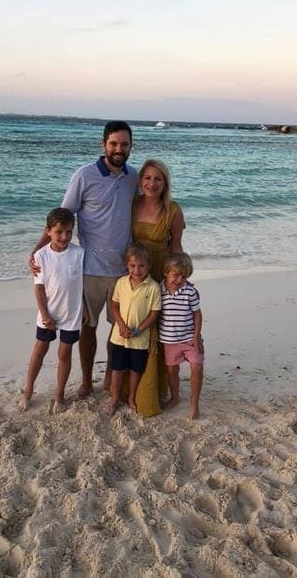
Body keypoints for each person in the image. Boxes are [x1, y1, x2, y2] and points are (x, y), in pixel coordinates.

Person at [29, 121, 138, 399]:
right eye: (113, 143)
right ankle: (87, 381)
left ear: (130, 147)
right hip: (88, 269)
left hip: (123, 271)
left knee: (118, 331)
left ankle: (111, 379)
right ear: (103, 145)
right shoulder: (84, 175)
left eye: (124, 144)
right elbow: (62, 216)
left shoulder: (133, 178)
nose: (118, 149)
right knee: (87, 328)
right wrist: (38, 251)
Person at [131, 159, 185, 416]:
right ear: (140, 180)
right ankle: (127, 388)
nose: (151, 184)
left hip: (160, 277)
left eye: (157, 179)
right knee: (134, 332)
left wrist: (180, 281)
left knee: (158, 333)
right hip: (135, 276)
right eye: (147, 178)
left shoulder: (173, 210)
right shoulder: (132, 205)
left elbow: (176, 248)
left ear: (165, 183)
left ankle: (158, 391)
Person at [19, 208, 84, 412]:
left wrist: (87, 309)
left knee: (65, 354)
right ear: (48, 231)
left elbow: (84, 283)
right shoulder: (41, 255)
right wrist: (44, 314)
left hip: (72, 315)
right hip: (48, 314)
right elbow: (39, 287)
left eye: (68, 232)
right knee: (39, 351)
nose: (64, 237)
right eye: (59, 232)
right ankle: (27, 392)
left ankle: (59, 396)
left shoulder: (79, 254)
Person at [107, 243, 161, 415]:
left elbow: (154, 314)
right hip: (119, 336)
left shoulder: (153, 287)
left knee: (136, 370)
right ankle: (115, 398)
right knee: (117, 368)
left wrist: (139, 329)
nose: (137, 270)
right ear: (127, 265)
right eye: (132, 266)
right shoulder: (121, 282)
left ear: (149, 265)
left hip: (140, 339)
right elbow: (114, 306)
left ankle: (131, 397)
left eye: (141, 266)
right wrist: (121, 325)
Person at [158, 253, 204, 420]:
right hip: (169, 340)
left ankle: (194, 402)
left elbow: (197, 314)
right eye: (175, 275)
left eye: (183, 276)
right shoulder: (158, 290)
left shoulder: (189, 291)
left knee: (197, 367)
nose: (179, 280)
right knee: (171, 370)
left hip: (190, 338)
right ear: (166, 272)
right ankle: (175, 397)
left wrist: (196, 336)